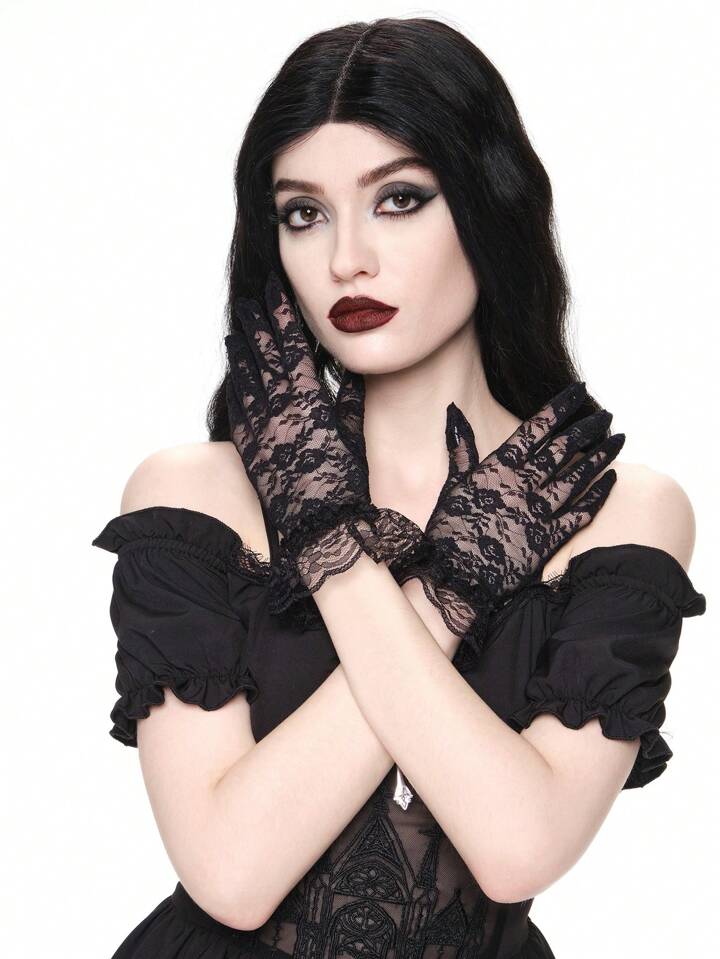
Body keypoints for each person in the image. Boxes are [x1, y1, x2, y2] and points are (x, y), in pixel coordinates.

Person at [91, 17, 706, 959]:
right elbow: (231, 874)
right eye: (304, 213)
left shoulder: (623, 513)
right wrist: (387, 567)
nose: (347, 259)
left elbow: (517, 847)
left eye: (399, 199)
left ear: (489, 206)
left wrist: (392, 568)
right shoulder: (193, 498)